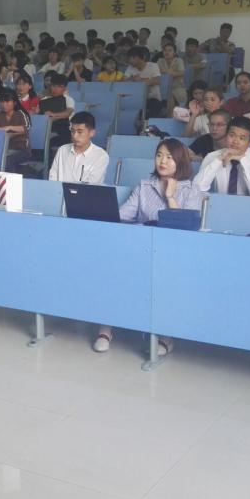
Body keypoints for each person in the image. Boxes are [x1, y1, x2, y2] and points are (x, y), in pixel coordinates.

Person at [93, 138, 203, 354]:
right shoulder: (145, 185)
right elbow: (125, 214)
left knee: (167, 281)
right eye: (159, 155)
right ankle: (105, 329)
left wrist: (170, 196)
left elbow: (184, 226)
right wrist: (102, 212)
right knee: (112, 270)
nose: (162, 161)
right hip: (141, 247)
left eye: (169, 157)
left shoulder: (191, 189)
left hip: (173, 253)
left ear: (180, 161)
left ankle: (166, 336)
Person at [194, 116, 250, 197]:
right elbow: (198, 187)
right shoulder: (212, 156)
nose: (235, 141)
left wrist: (243, 160)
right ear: (226, 136)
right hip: (221, 203)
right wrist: (218, 160)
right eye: (232, 135)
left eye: (241, 138)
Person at [48, 111, 109, 184]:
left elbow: (92, 185)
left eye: (80, 132)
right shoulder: (62, 150)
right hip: (59, 191)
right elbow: (52, 179)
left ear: (92, 133)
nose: (75, 136)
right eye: (72, 131)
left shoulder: (100, 156)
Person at [0, 89, 31, 171]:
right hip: (4, 149)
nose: (4, 105)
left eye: (7, 101)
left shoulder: (21, 113)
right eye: (2, 102)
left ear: (14, 102)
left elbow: (26, 128)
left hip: (22, 150)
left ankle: (10, 179)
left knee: (7, 160)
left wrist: (9, 127)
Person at [124, 46, 163, 117]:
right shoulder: (130, 67)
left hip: (152, 98)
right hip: (136, 98)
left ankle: (149, 124)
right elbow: (124, 81)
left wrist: (140, 80)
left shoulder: (153, 66)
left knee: (153, 109)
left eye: (129, 58)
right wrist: (133, 79)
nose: (128, 61)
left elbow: (157, 81)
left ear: (136, 58)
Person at [156, 42, 186, 109]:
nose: (167, 52)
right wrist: (172, 73)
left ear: (174, 52)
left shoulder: (179, 60)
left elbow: (181, 73)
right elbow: (157, 73)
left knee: (178, 95)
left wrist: (166, 72)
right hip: (163, 87)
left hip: (177, 86)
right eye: (165, 50)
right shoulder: (160, 61)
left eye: (170, 50)